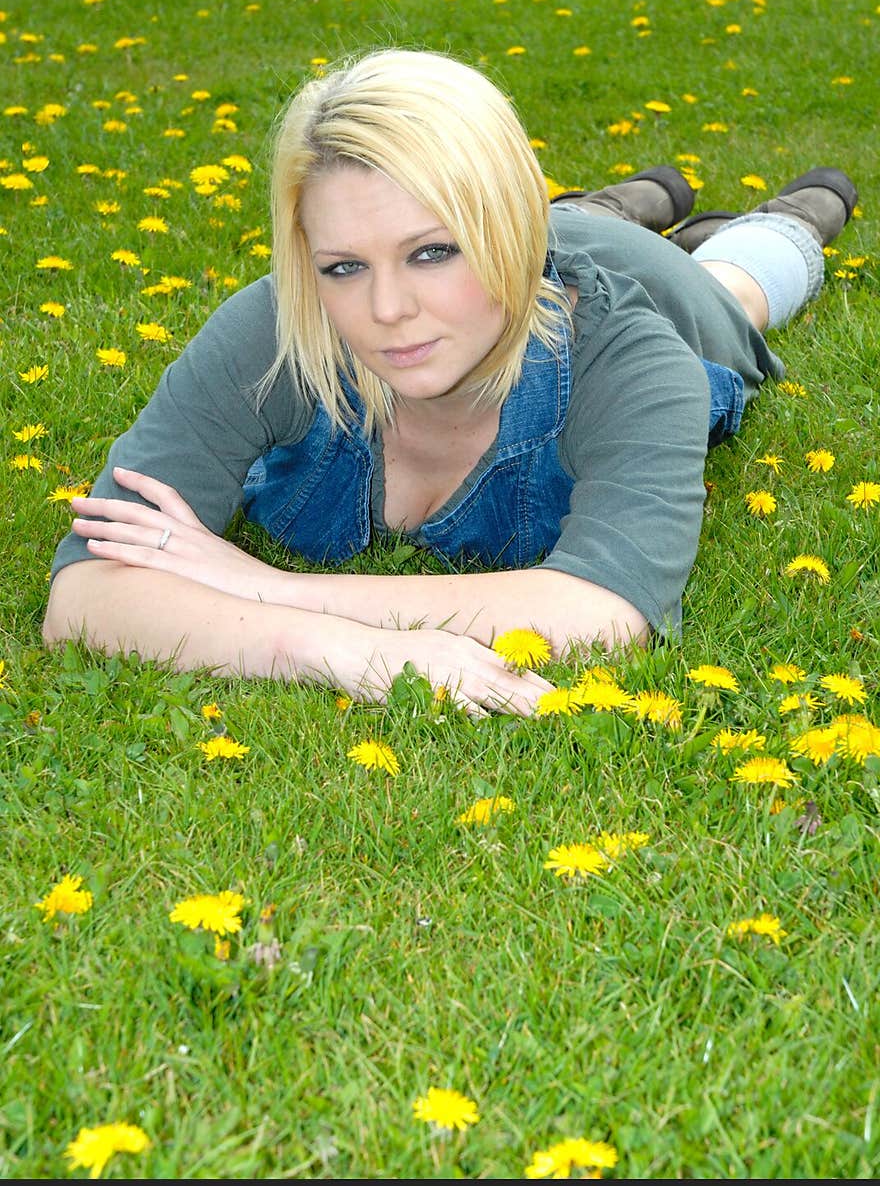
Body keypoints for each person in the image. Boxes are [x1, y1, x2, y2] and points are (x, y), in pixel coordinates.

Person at [42, 48, 858, 716]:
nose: (387, 308)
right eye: (343, 265)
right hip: (534, 236)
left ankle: (791, 217)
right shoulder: (275, 330)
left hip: (659, 287)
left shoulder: (639, 359)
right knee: (579, 221)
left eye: (432, 251)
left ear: (503, 227)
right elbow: (84, 593)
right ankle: (626, 199)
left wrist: (265, 586)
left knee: (733, 287)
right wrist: (324, 644)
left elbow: (604, 614)